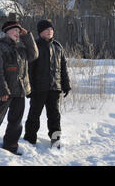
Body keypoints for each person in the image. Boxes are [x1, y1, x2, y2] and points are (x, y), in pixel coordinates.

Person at [0, 21, 38, 155]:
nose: (17, 33)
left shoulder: (20, 48)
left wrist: (28, 37)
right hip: (5, 91)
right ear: (6, 32)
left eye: (19, 31)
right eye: (14, 30)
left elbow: (34, 55)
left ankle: (11, 146)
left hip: (19, 91)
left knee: (16, 122)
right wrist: (2, 90)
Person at [24, 19, 71, 148]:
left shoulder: (57, 46)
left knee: (54, 116)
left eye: (51, 29)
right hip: (38, 89)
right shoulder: (35, 46)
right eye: (46, 29)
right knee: (34, 115)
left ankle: (56, 140)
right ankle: (29, 139)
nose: (49, 31)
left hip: (54, 88)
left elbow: (63, 68)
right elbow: (29, 70)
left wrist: (66, 85)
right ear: (40, 32)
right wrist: (29, 88)